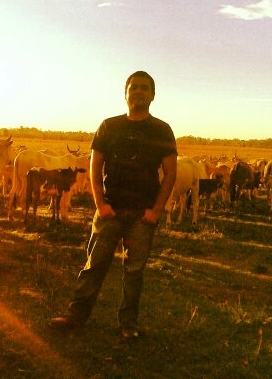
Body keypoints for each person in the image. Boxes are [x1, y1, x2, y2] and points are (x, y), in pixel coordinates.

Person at [49, 71, 177, 340]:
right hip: (110, 210)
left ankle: (128, 323)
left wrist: (156, 211)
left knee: (134, 271)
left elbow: (170, 174)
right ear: (126, 93)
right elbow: (95, 168)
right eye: (134, 88)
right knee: (94, 264)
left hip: (143, 213)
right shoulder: (109, 126)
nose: (138, 92)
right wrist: (100, 204)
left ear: (153, 95)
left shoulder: (162, 130)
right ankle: (76, 316)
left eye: (144, 88)